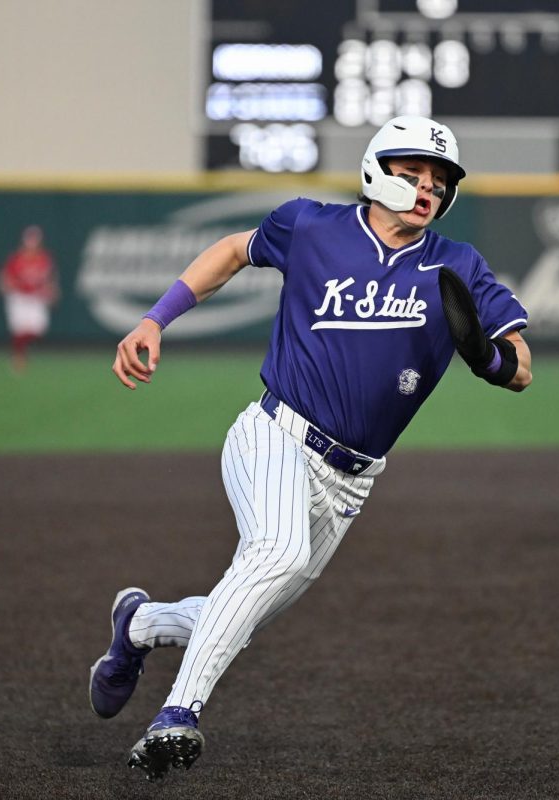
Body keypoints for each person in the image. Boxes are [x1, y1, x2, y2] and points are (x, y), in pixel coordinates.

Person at [89, 115, 533, 781]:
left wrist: (490, 358)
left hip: (353, 481)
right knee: (276, 552)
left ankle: (140, 627)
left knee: (244, 610)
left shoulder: (457, 265)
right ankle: (176, 715)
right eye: (413, 175)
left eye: (439, 182)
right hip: (274, 434)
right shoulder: (310, 227)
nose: (427, 190)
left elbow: (522, 363)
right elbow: (235, 250)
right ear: (377, 170)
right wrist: (156, 316)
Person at [0, 225, 59, 372]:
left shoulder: (44, 259)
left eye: (35, 241)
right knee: (19, 329)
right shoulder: (16, 259)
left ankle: (20, 352)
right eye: (29, 241)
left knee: (38, 329)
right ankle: (18, 357)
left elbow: (50, 279)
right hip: (19, 297)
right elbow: (4, 278)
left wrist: (52, 291)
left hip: (36, 297)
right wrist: (7, 286)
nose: (32, 245)